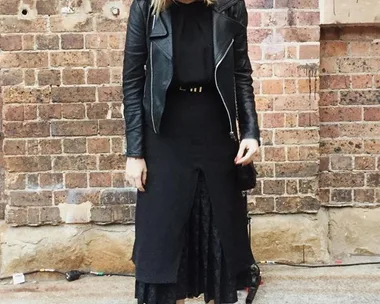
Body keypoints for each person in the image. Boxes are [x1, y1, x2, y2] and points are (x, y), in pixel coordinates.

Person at [122, 0, 261, 302]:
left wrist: (250, 131)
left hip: (215, 134)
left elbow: (240, 72)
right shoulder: (147, 7)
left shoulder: (230, 6)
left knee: (220, 237)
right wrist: (135, 153)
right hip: (163, 136)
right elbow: (132, 81)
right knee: (162, 243)